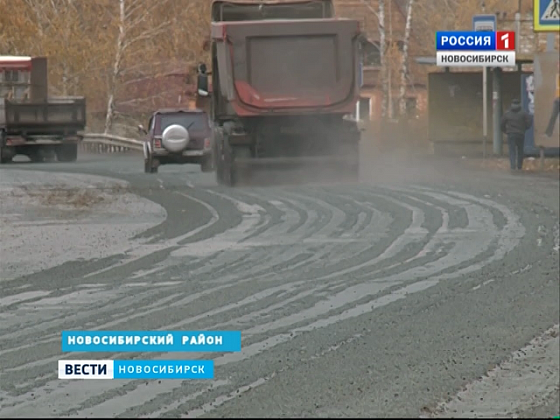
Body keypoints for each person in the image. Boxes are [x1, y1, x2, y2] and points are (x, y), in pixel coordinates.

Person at [501, 98, 532, 171]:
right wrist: (524, 128)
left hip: (511, 134)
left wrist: (506, 131)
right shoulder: (524, 113)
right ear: (519, 104)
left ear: (511, 105)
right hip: (520, 134)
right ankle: (519, 166)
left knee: (512, 150)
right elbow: (529, 122)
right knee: (520, 150)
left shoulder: (507, 113)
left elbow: (501, 124)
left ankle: (512, 166)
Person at [544, 61, 559, 138]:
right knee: (553, 116)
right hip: (557, 98)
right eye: (558, 64)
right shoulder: (556, 75)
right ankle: (548, 133)